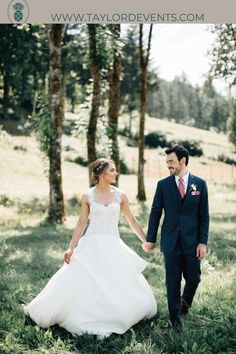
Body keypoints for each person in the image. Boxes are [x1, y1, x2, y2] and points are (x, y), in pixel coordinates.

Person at [24, 158, 157, 338]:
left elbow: (131, 220)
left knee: (116, 281)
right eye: (112, 170)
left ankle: (114, 314)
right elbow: (80, 224)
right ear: (101, 173)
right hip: (91, 244)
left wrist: (146, 240)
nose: (115, 173)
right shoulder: (88, 196)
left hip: (113, 244)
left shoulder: (120, 195)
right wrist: (71, 248)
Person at [143, 144, 209, 329]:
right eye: (167, 162)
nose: (168, 165)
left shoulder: (200, 184)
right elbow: (155, 213)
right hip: (170, 242)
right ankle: (175, 318)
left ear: (183, 161)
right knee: (172, 281)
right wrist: (151, 239)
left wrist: (202, 242)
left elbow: (204, 216)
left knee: (194, 279)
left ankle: (183, 308)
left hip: (192, 242)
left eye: (171, 161)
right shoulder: (163, 185)